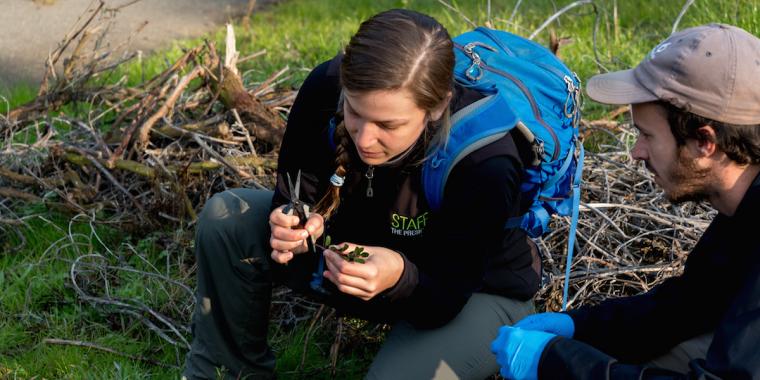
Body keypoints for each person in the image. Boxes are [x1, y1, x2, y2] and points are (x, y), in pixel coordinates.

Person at [183, 9, 542, 380]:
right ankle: (226, 372)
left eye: (388, 125)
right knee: (227, 218)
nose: (364, 139)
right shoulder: (325, 86)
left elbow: (446, 298)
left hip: (475, 295)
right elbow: (293, 194)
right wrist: (295, 225)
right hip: (364, 258)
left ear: (436, 107)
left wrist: (400, 275)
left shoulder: (486, 160)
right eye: (354, 112)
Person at [491, 23, 760, 379]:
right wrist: (578, 327)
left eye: (647, 135)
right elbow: (692, 304)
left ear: (704, 142)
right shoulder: (742, 209)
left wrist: (557, 363)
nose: (636, 152)